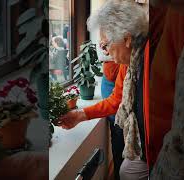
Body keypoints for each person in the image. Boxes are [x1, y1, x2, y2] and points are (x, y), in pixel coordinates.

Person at [57, 1, 164, 179]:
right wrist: (80, 115)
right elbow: (116, 100)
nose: (106, 53)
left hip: (159, 146)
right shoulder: (127, 64)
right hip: (144, 143)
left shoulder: (154, 58)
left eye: (105, 45)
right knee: (126, 171)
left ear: (127, 39)